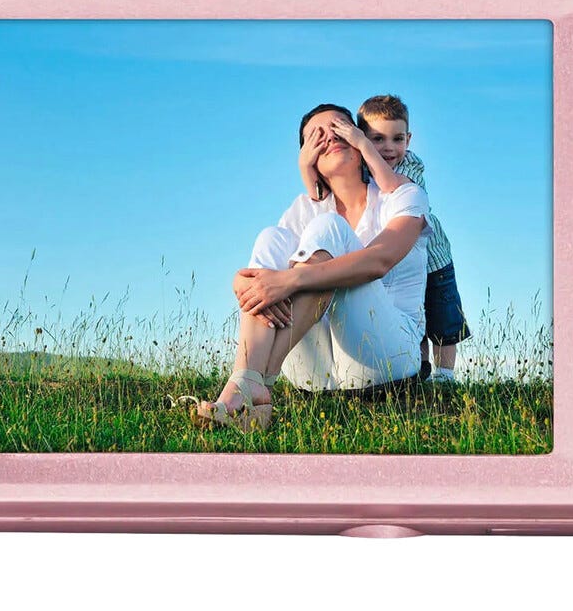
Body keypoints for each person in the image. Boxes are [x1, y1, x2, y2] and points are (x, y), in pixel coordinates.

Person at [194, 103, 431, 429]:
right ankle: (249, 381)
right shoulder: (303, 208)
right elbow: (267, 276)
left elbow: (380, 260)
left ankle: (257, 381)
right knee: (271, 238)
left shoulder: (403, 194)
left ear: (360, 139)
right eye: (317, 136)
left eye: (338, 129)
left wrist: (291, 280)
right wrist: (242, 281)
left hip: (388, 357)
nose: (329, 138)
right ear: (307, 156)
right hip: (314, 373)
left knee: (328, 228)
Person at [352, 94, 471, 383]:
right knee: (410, 315)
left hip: (433, 261)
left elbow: (391, 185)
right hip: (399, 265)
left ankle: (445, 375)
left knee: (442, 316)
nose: (389, 148)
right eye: (377, 139)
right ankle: (420, 369)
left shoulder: (410, 165)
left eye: (398, 139)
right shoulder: (360, 169)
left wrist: (365, 147)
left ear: (409, 138)